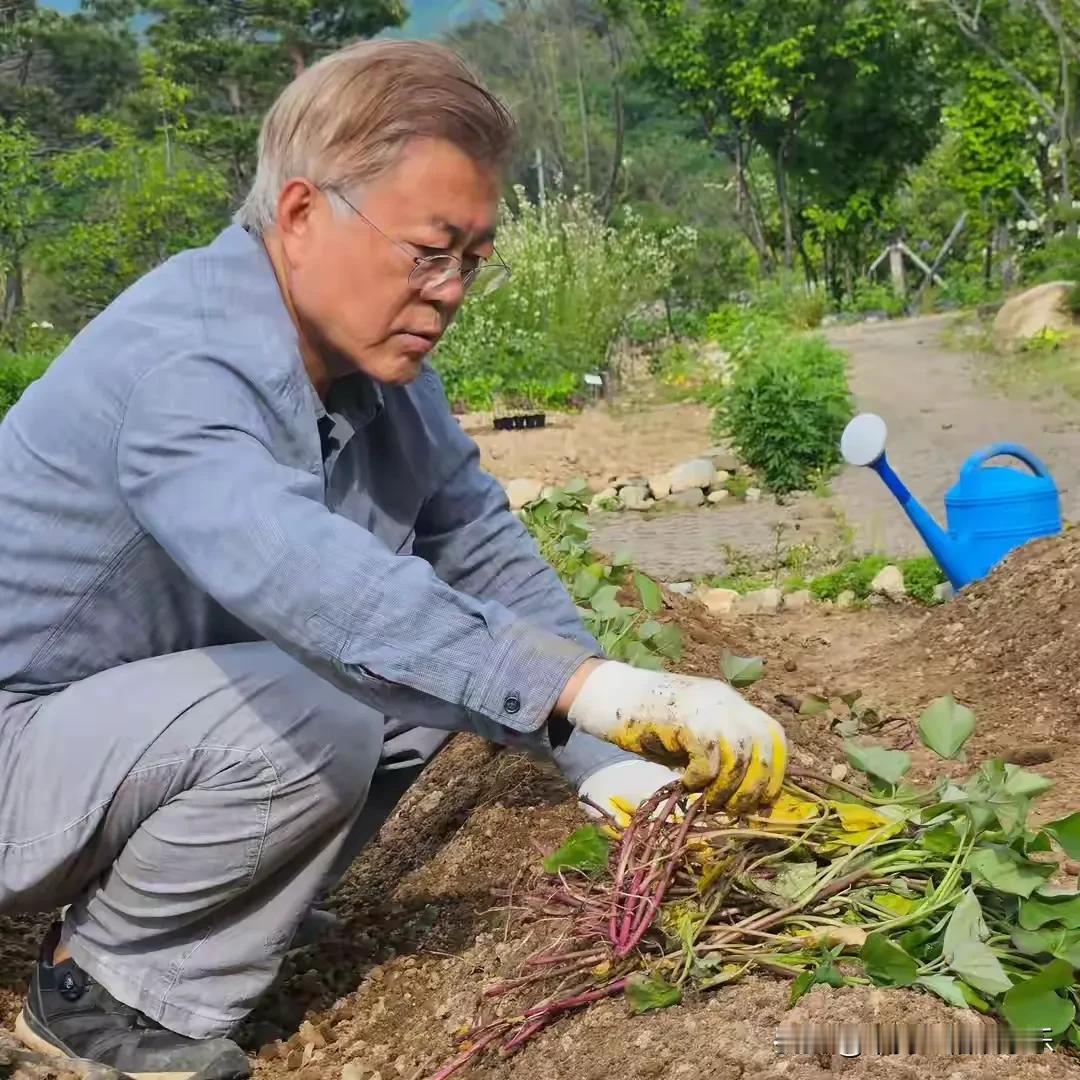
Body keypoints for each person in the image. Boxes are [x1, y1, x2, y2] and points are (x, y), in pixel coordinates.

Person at [0, 39, 787, 1080]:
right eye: (429, 249)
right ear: (299, 214)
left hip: (93, 740)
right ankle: (102, 1001)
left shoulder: (380, 375)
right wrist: (583, 686)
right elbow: (308, 581)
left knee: (420, 681)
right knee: (326, 694)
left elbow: (480, 552)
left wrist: (605, 750)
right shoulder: (187, 362)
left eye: (473, 259)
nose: (452, 288)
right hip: (19, 738)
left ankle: (216, 920)